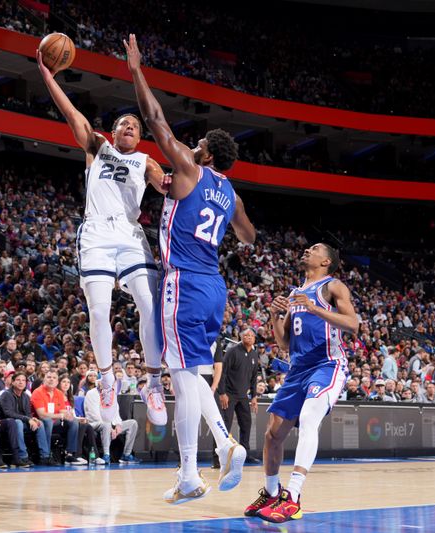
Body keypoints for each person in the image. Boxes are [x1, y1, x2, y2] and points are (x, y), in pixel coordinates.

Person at [125, 34, 256, 503]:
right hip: (214, 287)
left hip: (181, 280)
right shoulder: (231, 193)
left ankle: (222, 445)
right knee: (191, 375)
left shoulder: (190, 167)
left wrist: (136, 70)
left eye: (197, 143)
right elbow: (249, 236)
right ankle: (190, 475)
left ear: (207, 154)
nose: (191, 145)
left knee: (182, 378)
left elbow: (155, 120)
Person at [37, 46, 168, 427]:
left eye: (135, 126)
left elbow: (169, 186)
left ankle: (153, 383)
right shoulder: (97, 147)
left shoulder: (145, 161)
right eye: (123, 124)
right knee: (98, 309)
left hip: (129, 233)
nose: (129, 128)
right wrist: (49, 77)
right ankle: (107, 379)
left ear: (140, 138)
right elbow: (70, 113)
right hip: (95, 231)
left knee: (148, 303)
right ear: (113, 132)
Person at [244, 243, 357, 524]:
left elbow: (352, 324)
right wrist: (274, 315)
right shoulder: (295, 293)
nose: (307, 250)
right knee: (273, 435)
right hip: (298, 370)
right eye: (307, 248)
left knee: (308, 418)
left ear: (326, 261)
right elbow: (283, 344)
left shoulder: (333, 287)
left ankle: (292, 498)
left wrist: (314, 308)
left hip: (327, 364)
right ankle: (272, 494)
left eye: (314, 248)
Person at [218, 328, 260, 463]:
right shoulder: (232, 352)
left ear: (254, 339)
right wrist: (222, 393)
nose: (249, 337)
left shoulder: (254, 354)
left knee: (246, 424)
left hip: (243, 396)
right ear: (241, 337)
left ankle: (246, 455)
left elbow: (254, 377)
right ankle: (219, 457)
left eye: (251, 335)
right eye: (246, 335)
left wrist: (254, 396)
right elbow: (222, 373)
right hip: (229, 395)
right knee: (225, 426)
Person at [84, 379, 139, 465]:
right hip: (94, 423)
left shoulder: (112, 394)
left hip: (111, 424)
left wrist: (118, 425)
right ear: (98, 383)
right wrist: (110, 428)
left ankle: (126, 455)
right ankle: (106, 455)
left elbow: (115, 412)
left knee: (132, 423)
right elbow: (94, 414)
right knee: (106, 424)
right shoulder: (91, 393)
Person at [0, 372, 43, 467]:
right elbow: (8, 413)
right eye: (18, 380)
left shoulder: (26, 396)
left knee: (39, 424)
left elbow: (28, 414)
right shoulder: (6, 394)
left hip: (22, 422)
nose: (21, 382)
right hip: (7, 424)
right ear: (13, 382)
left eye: (23, 380)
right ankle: (22, 456)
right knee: (18, 423)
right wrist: (27, 419)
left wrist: (32, 419)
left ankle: (44, 456)